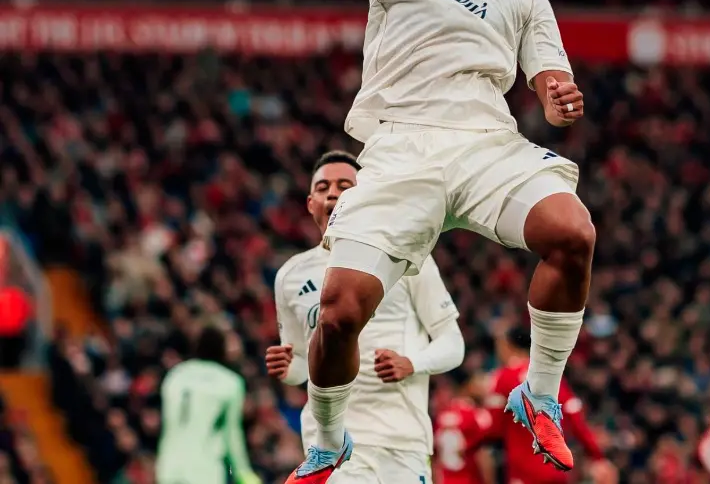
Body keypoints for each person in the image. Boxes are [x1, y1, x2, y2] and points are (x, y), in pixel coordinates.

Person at [233, 0, 595, 482]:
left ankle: (540, 391)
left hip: (486, 144)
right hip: (400, 150)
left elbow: (551, 78)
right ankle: (329, 441)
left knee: (572, 232)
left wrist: (557, 98)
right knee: (338, 314)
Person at [266, 151, 465, 483]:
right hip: (331, 443)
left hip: (401, 440)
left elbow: (453, 343)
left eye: (345, 185)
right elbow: (303, 365)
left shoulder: (405, 257)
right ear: (311, 203)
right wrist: (288, 368)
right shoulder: (290, 276)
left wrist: (412, 362)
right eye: (323, 187)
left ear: (365, 196)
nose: (332, 193)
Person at [486, 326, 605, 484]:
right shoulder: (552, 376)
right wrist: (596, 456)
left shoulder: (503, 378)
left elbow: (493, 427)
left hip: (521, 472)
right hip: (554, 470)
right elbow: (576, 420)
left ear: (507, 345)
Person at [156, 324, 261, 484]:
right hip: (204, 471)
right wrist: (244, 474)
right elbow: (232, 435)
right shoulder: (230, 382)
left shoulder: (175, 374)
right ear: (221, 346)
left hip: (168, 467)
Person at [434, 368, 496, 484]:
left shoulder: (442, 415)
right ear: (468, 385)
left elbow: (435, 459)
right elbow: (483, 456)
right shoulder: (476, 415)